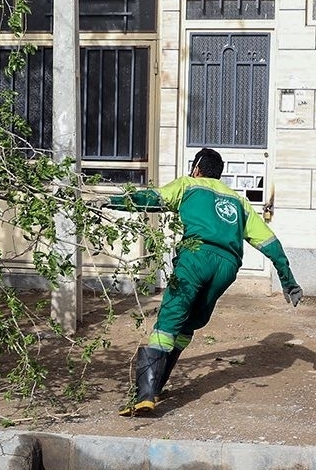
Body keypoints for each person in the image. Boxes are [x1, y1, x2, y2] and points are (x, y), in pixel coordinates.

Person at [107, 148, 302, 417]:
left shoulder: (188, 184)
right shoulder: (238, 201)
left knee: (169, 320)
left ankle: (145, 395)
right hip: (227, 267)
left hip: (196, 257)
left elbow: (151, 199)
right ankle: (158, 386)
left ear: (197, 167)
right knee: (189, 324)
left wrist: (114, 201)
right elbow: (269, 242)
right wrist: (288, 280)